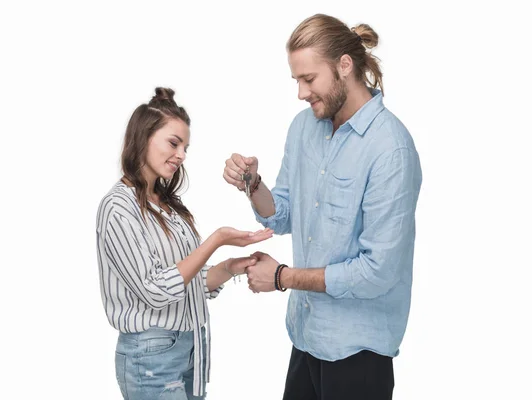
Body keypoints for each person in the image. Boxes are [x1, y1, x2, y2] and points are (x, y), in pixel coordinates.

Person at [223, 14, 422, 400]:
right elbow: (282, 214)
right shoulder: (303, 128)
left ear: (344, 66)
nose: (300, 92)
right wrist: (252, 183)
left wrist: (282, 277)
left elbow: (376, 272)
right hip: (307, 335)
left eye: (309, 79)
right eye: (296, 80)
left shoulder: (391, 149)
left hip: (359, 352)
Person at [97, 87, 272, 399]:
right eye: (174, 143)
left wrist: (232, 266)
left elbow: (190, 281)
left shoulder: (168, 205)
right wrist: (216, 240)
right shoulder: (118, 208)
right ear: (144, 137)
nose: (181, 155)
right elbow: (154, 289)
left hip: (191, 349)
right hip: (151, 357)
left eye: (186, 147)